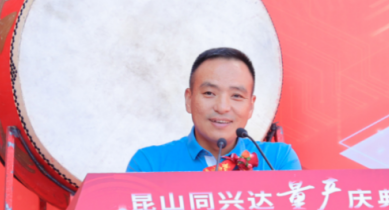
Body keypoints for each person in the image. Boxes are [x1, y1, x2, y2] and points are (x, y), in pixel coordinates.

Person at [127, 47, 301, 172]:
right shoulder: (149, 164)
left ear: (251, 106)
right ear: (189, 100)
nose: (222, 107)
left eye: (236, 96)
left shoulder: (278, 159)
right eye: (209, 93)